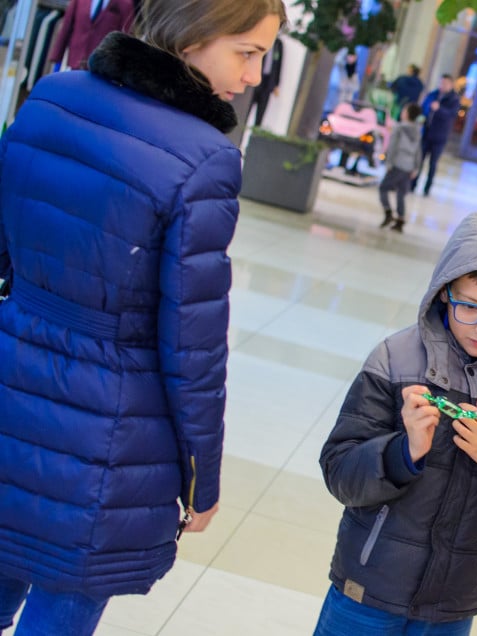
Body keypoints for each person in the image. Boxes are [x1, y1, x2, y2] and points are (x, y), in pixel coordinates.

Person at [0, 1, 285, 633]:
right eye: (248, 52)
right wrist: (200, 477)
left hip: (10, 379)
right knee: (61, 611)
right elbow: (194, 345)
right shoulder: (205, 159)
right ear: (193, 38)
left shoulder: (50, 97)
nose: (256, 74)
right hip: (109, 432)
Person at [315, 211, 477, 635]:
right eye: (470, 307)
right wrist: (404, 450)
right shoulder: (395, 360)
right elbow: (339, 472)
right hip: (366, 587)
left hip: (454, 605)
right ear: (443, 293)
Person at [47, 0, 137, 71]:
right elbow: (66, 27)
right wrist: (57, 57)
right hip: (74, 63)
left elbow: (125, 38)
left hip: (100, 69)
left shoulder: (125, 3)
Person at [411, 73, 460, 196]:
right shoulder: (433, 94)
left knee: (433, 164)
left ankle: (427, 189)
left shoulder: (454, 99)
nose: (442, 85)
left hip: (439, 137)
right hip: (426, 133)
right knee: (419, 161)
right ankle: (412, 185)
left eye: (445, 83)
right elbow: (424, 108)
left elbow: (451, 115)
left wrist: (439, 109)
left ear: (450, 84)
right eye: (441, 82)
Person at [378, 102, 422, 233]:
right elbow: (419, 150)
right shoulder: (417, 130)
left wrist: (389, 163)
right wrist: (416, 167)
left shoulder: (399, 128)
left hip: (398, 163)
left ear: (407, 114)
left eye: (404, 110)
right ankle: (400, 220)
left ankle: (388, 213)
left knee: (383, 188)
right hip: (409, 167)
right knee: (401, 194)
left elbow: (393, 147)